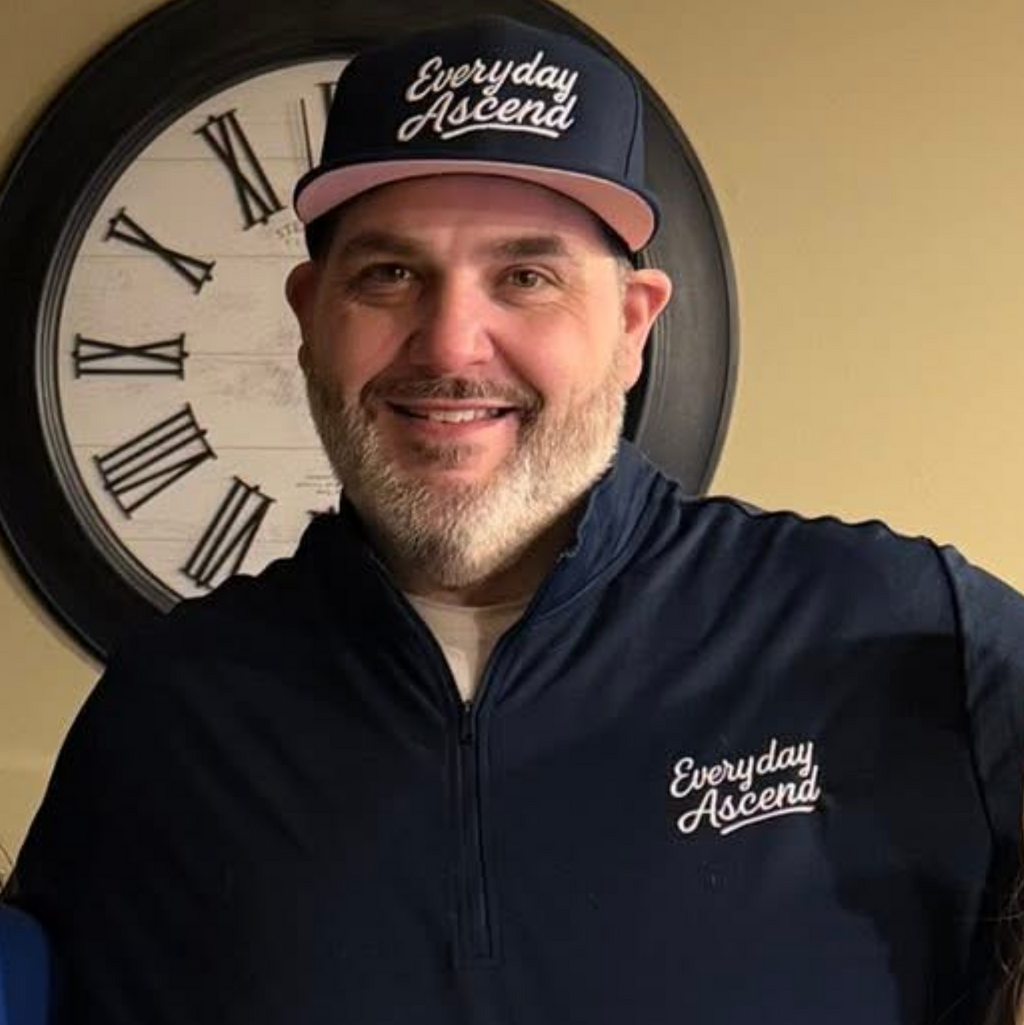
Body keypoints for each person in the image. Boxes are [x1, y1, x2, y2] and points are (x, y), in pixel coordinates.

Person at [5, 14, 1024, 1025]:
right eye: (388, 274)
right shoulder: (166, 719)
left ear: (631, 325)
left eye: (525, 276)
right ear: (311, 316)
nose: (450, 341)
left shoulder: (890, 627)